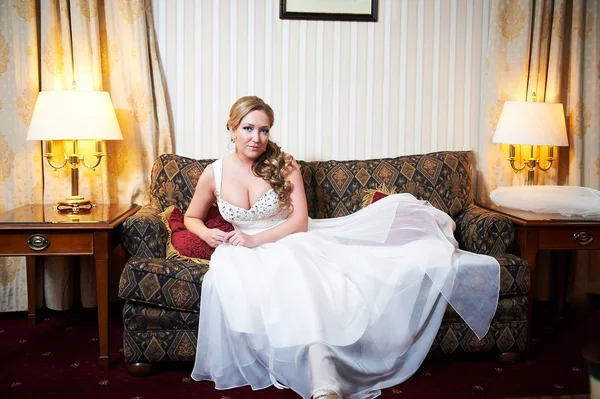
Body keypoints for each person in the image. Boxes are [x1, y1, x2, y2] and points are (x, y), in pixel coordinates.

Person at [187, 96, 500, 399]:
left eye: (264, 130)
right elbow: (191, 217)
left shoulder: (284, 165)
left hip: (289, 239)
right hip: (240, 251)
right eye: (248, 128)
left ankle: (323, 376)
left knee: (299, 272)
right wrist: (207, 233)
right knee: (225, 280)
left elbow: (299, 223)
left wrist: (256, 239)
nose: (257, 137)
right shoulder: (213, 173)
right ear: (231, 128)